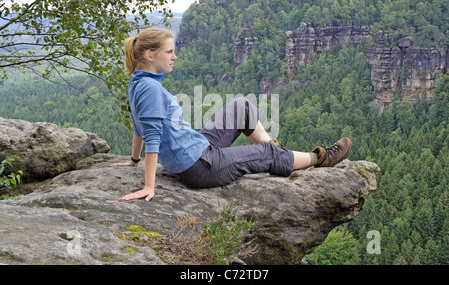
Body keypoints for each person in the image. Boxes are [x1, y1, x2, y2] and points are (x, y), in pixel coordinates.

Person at [110, 26, 352, 201]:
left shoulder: (139, 81)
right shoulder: (150, 88)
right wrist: (148, 186)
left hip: (197, 148)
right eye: (169, 52)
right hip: (199, 167)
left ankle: (280, 154)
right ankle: (318, 159)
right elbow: (150, 135)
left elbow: (138, 126)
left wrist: (134, 161)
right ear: (150, 55)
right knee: (265, 152)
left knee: (240, 106)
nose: (175, 56)